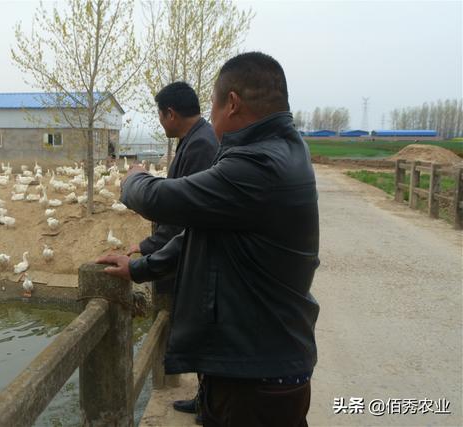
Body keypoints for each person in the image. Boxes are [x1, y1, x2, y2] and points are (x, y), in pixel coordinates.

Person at [98, 52, 320, 426]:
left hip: (257, 377)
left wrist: (132, 177)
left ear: (231, 104)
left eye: (213, 108)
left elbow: (159, 199)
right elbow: (198, 236)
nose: (210, 120)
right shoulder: (280, 151)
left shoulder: (258, 166)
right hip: (259, 365)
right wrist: (138, 268)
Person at [126, 81, 218, 424]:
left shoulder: (201, 147)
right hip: (183, 248)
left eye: (160, 115)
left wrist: (151, 250)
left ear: (170, 113)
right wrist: (149, 244)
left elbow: (186, 211)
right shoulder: (195, 141)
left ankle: (210, 402)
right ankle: (205, 395)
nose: (161, 122)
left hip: (190, 255)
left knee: (198, 327)